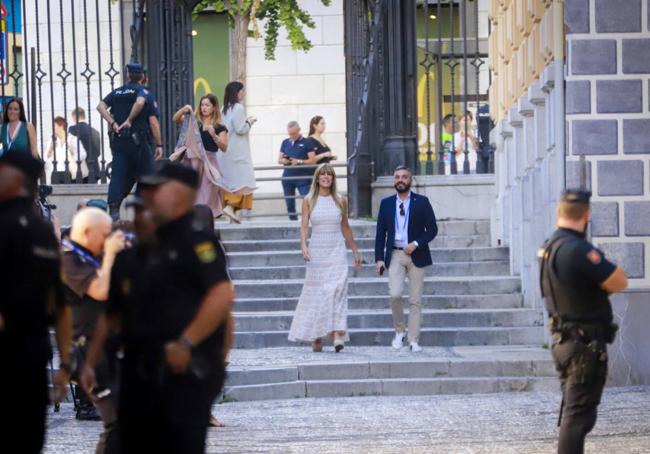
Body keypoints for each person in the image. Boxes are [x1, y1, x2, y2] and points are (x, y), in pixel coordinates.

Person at [84, 162, 234, 453]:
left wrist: (189, 344)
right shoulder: (131, 258)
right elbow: (111, 316)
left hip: (184, 372)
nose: (144, 208)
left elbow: (222, 296)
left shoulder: (198, 242)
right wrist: (91, 362)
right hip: (138, 370)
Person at [539, 189, 628, 454]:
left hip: (564, 340)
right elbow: (619, 280)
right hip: (583, 345)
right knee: (578, 418)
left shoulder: (549, 246)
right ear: (587, 214)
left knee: (573, 412)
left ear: (558, 212)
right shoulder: (577, 249)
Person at [0, 152, 72, 454]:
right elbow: (61, 303)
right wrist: (66, 364)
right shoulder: (43, 231)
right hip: (32, 354)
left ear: (16, 179)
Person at [61, 207, 125, 427]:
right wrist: (109, 255)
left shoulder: (88, 258)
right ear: (87, 233)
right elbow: (100, 290)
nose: (107, 240)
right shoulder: (69, 260)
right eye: (104, 234)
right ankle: (86, 407)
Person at [288, 164, 361, 352]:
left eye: (330, 174)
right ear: (317, 178)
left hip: (336, 250)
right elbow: (304, 225)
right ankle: (316, 335)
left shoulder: (341, 200)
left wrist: (355, 251)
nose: (326, 177)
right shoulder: (309, 199)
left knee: (338, 291)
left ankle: (338, 335)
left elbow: (345, 227)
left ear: (333, 179)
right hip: (317, 252)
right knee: (319, 294)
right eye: (323, 174)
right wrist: (303, 244)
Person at [374, 165, 438, 352]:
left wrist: (416, 243)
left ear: (410, 180)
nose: (400, 180)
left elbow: (432, 229)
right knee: (394, 294)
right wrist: (379, 258)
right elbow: (380, 234)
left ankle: (413, 339)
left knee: (415, 300)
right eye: (397, 177)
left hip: (417, 254)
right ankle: (399, 331)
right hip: (394, 254)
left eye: (404, 177)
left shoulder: (422, 202)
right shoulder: (386, 203)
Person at [97, 63, 163, 221]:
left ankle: (114, 208)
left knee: (119, 175)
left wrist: (113, 123)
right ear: (143, 77)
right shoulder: (143, 92)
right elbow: (151, 119)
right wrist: (159, 144)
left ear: (127, 76)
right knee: (148, 176)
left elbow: (100, 106)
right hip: (139, 143)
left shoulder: (118, 92)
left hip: (120, 143)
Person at [171, 94, 230, 219]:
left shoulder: (219, 127)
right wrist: (184, 109)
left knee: (207, 198)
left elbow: (224, 147)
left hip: (210, 164)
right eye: (202, 105)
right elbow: (175, 119)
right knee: (192, 196)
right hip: (194, 163)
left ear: (214, 108)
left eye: (207, 105)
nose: (204, 108)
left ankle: (206, 224)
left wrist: (214, 135)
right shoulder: (194, 123)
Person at [219, 81, 257, 223]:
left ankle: (232, 212)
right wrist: (250, 121)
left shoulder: (224, 108)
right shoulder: (238, 108)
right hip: (238, 152)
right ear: (237, 92)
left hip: (227, 152)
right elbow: (241, 129)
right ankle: (231, 207)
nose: (244, 93)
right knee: (243, 181)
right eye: (242, 90)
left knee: (231, 182)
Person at [278, 121, 313, 221]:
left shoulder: (307, 142)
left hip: (302, 178)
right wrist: (284, 160)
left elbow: (312, 160)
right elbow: (279, 159)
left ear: (299, 130)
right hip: (287, 178)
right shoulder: (285, 142)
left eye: (294, 133)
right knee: (289, 204)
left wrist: (298, 161)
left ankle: (309, 222)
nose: (292, 136)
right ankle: (293, 222)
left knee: (307, 201)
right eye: (290, 134)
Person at [45, 116, 89, 183]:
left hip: (69, 172)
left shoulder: (72, 139)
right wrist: (50, 149)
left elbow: (83, 155)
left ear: (61, 127)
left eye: (55, 127)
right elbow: (45, 158)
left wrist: (72, 152)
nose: (54, 129)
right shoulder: (52, 140)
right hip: (54, 172)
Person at [69, 106, 102, 181]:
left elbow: (70, 148)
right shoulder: (95, 132)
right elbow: (98, 152)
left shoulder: (72, 129)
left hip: (79, 169)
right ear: (84, 116)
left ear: (74, 117)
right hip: (94, 169)